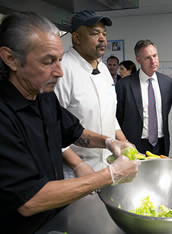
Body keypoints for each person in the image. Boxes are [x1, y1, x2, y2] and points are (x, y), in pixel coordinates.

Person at [0, 12, 140, 234]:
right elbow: (30, 199)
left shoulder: (43, 95)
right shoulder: (5, 115)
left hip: (53, 218)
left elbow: (75, 131)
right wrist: (109, 175)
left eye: (60, 60)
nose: (59, 71)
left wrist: (110, 142)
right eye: (47, 61)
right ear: (10, 59)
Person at [54, 10, 128, 178]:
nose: (102, 38)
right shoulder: (63, 70)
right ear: (77, 37)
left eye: (104, 33)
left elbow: (109, 115)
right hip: (77, 170)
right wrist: (78, 165)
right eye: (95, 33)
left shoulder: (103, 68)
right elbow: (54, 127)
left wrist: (125, 143)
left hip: (108, 164)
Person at [116, 39, 172, 156]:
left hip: (160, 144)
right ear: (138, 60)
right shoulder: (124, 85)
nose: (153, 61)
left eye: (155, 55)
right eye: (147, 58)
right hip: (135, 144)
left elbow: (165, 111)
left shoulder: (167, 82)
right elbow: (119, 117)